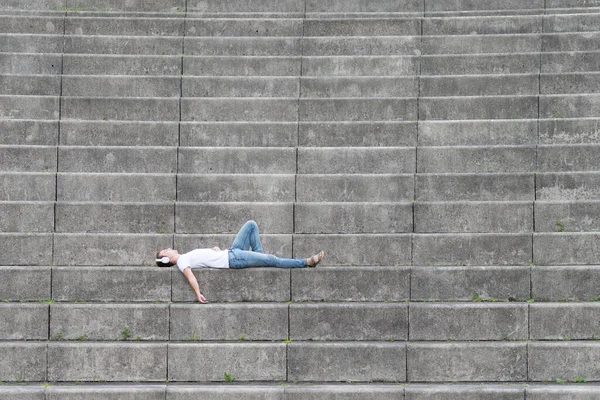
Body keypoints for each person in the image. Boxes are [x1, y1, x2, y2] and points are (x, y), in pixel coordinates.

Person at [156, 220, 324, 303]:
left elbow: (204, 258)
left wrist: (214, 250)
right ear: (166, 259)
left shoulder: (185, 256)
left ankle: (260, 259)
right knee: (272, 259)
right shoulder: (181, 262)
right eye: (166, 251)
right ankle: (306, 262)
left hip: (231, 251)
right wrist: (197, 293)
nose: (169, 248)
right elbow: (190, 276)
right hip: (234, 259)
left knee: (251, 225)